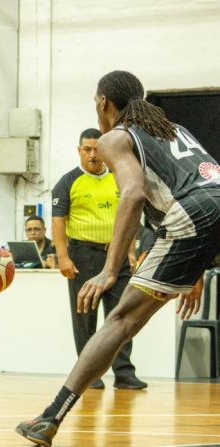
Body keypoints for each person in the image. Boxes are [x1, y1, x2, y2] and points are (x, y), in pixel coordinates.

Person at [16, 70, 220, 447]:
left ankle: (50, 418)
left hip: (190, 216)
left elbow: (133, 194)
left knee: (121, 321)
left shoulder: (115, 137)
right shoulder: (174, 130)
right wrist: (198, 268)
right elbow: (207, 193)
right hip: (211, 207)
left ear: (103, 102)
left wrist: (110, 270)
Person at [50, 127, 145, 391]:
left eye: (96, 149)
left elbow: (130, 216)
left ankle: (124, 374)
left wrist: (130, 252)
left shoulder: (118, 178)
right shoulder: (68, 182)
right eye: (87, 150)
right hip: (83, 255)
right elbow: (58, 221)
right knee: (85, 317)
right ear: (79, 151)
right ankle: (90, 375)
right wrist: (63, 257)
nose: (92, 155)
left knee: (122, 314)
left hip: (117, 255)